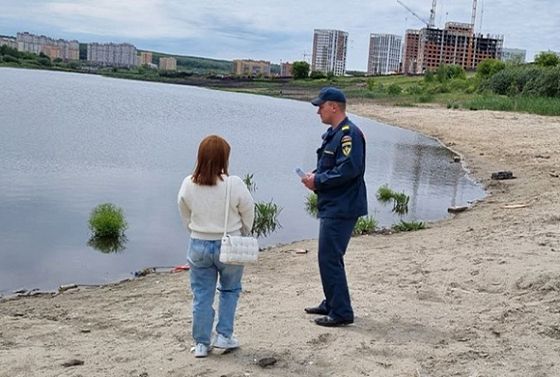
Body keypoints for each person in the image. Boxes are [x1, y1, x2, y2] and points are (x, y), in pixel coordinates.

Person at [177, 135, 255, 358]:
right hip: (229, 245)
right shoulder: (233, 183)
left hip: (199, 244)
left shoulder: (188, 183)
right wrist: (243, 231)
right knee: (230, 290)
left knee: (202, 295)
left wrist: (194, 231)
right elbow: (249, 210)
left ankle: (201, 343)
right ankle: (224, 335)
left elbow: (184, 211)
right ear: (224, 158)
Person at [301, 87, 367, 327]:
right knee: (327, 257)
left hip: (343, 205)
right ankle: (331, 301)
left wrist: (318, 181)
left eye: (321, 106)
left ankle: (341, 312)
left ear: (333, 107)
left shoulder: (349, 135)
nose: (318, 110)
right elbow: (332, 166)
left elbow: (349, 169)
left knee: (330, 258)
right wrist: (315, 176)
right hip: (333, 203)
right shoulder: (334, 134)